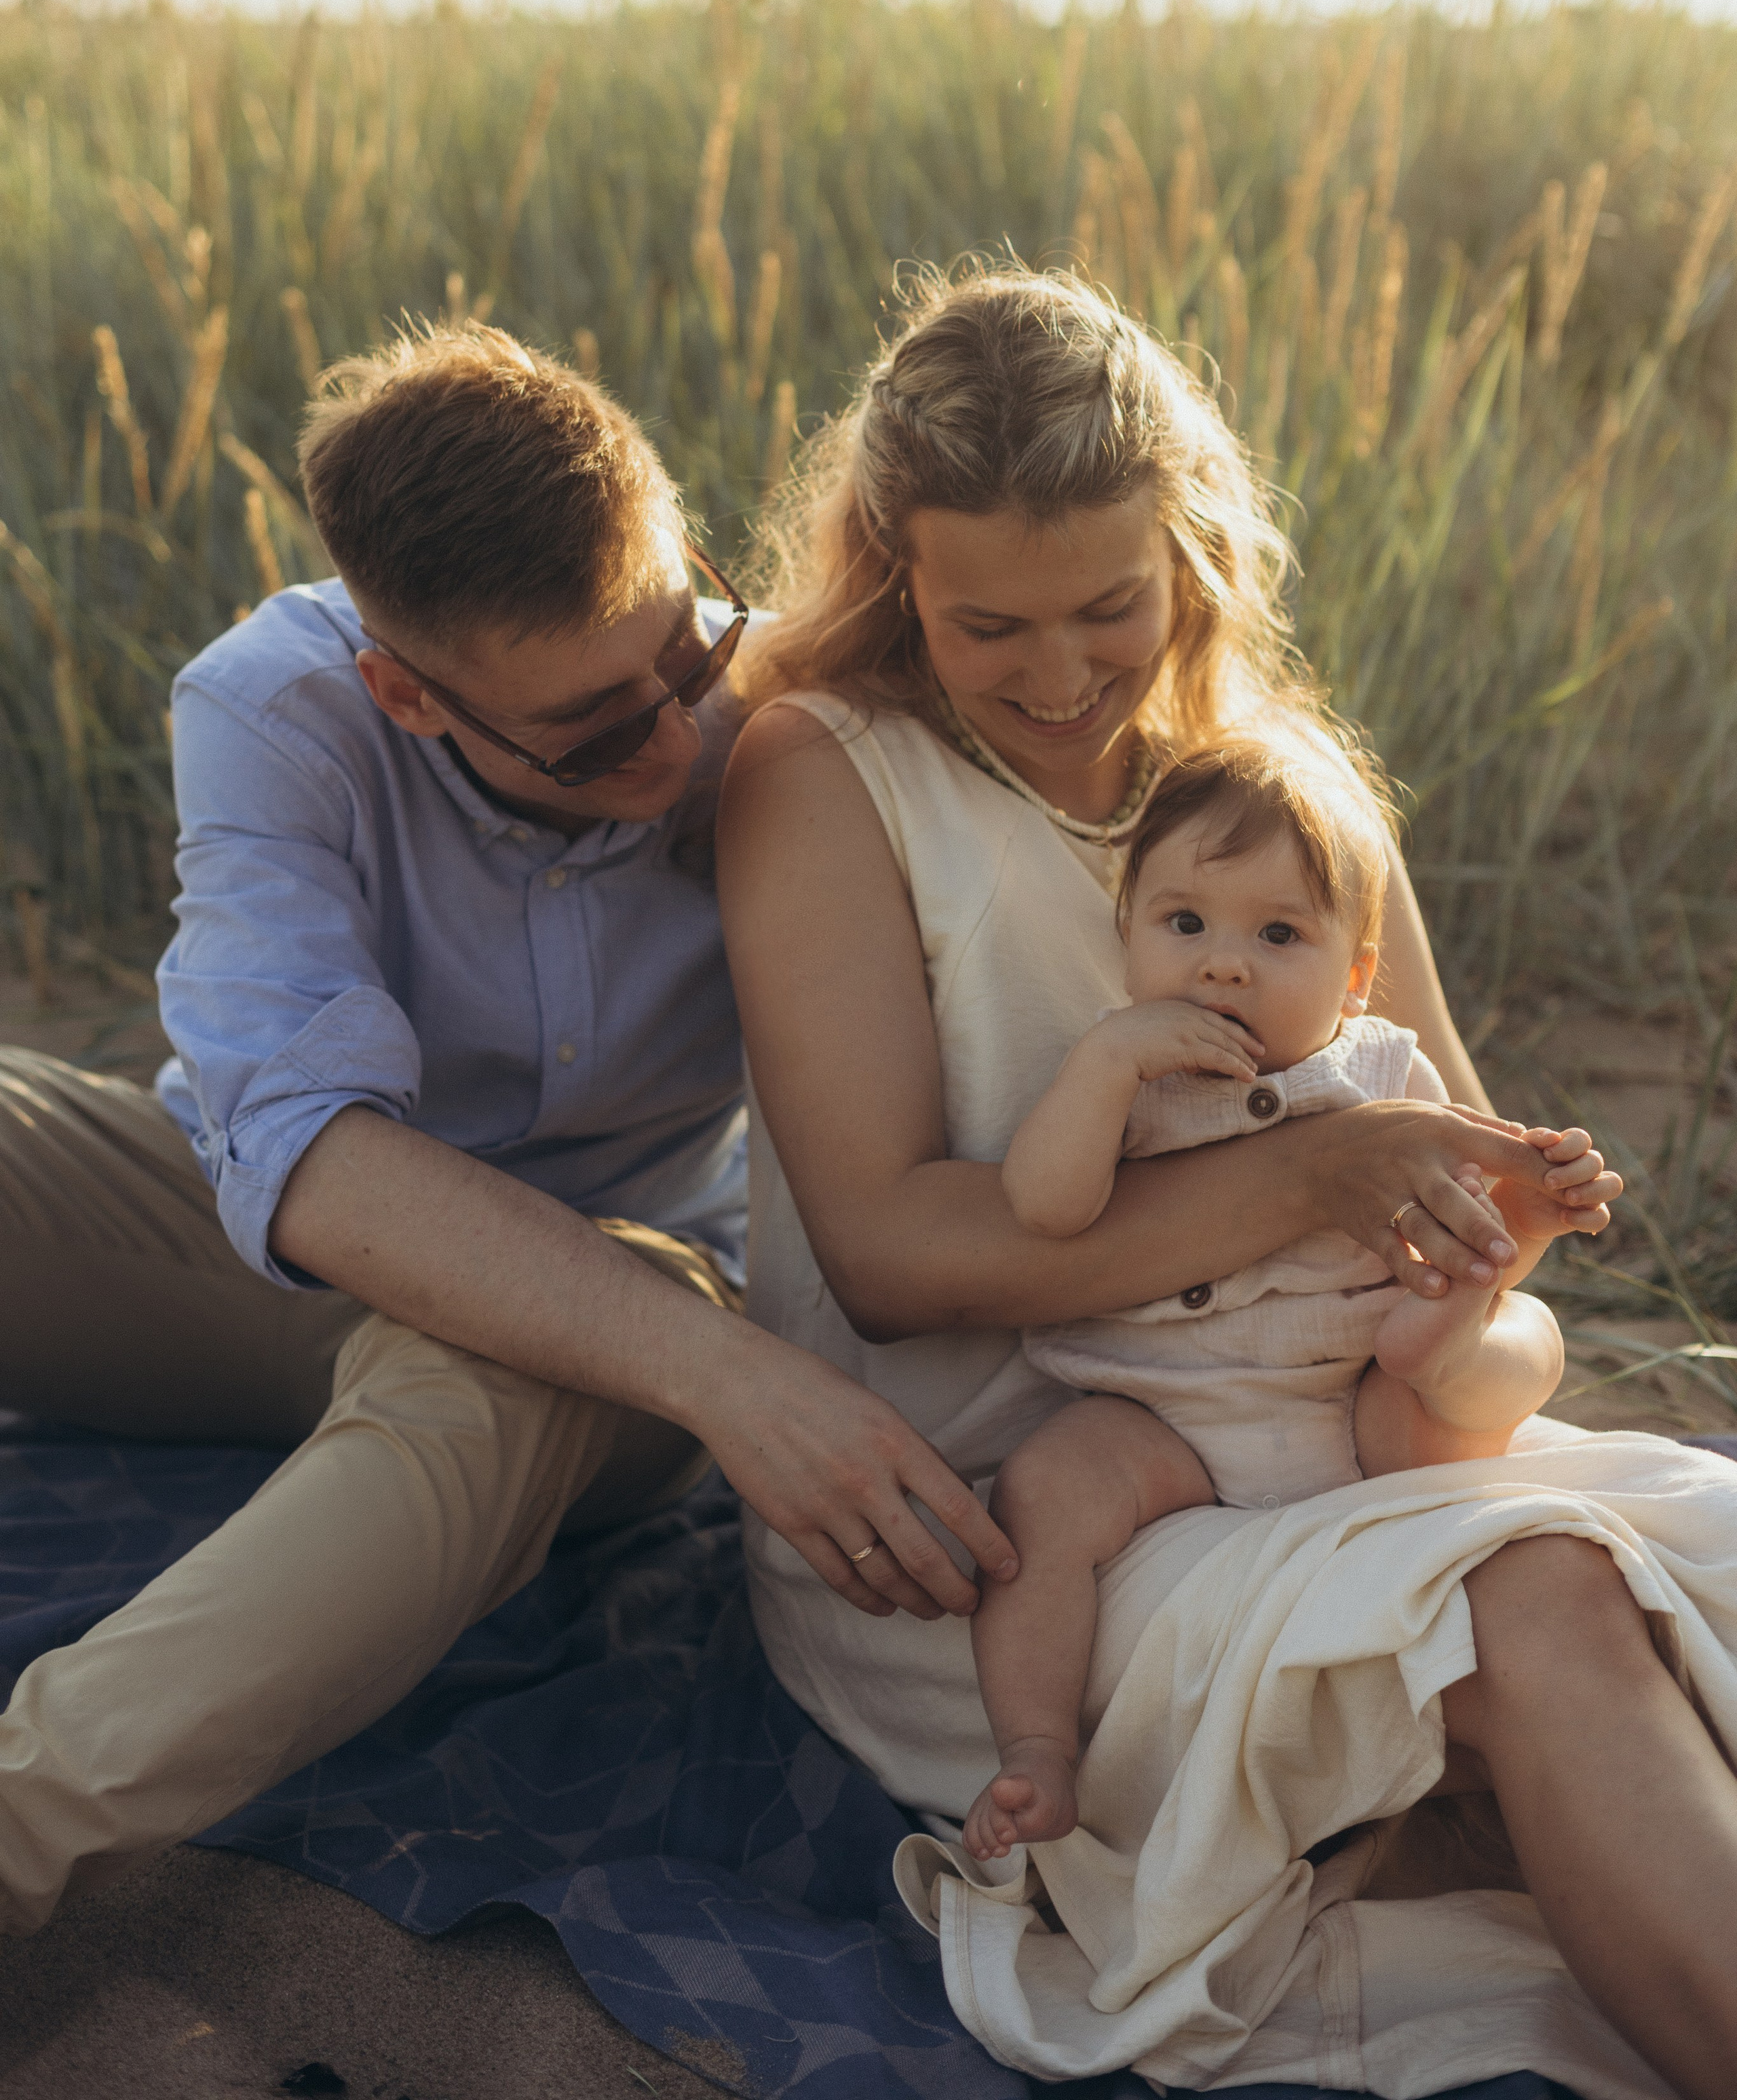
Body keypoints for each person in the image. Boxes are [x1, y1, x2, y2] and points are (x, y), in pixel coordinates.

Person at [717, 265, 1737, 2099]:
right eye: (986, 625)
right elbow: (889, 1254)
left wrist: (1475, 1286)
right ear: (893, 574)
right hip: (1007, 1530)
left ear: (1189, 549)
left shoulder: (1282, 798)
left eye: (1107, 607)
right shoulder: (825, 772)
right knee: (1535, 1602)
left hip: (1326, 1449)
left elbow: (1451, 1202)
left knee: (1634, 1594)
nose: (1056, 677)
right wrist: (1317, 1177)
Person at [0, 323, 1019, 1940]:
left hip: (617, 1305)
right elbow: (303, 1150)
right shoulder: (271, 709)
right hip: (251, 1239)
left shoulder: (790, 711)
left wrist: (703, 1358)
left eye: (684, 658)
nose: (673, 743)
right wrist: (742, 1380)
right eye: (597, 731)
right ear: (402, 693)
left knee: (517, 1360)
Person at [966, 733, 1578, 1861]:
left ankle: (1454, 1336)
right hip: (1162, 1418)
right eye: (1183, 923)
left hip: (1352, 1397)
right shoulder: (1125, 1076)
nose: (1223, 967)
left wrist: (1512, 1216)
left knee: (1453, 1363)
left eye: (1278, 935)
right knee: (1043, 1493)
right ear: (1127, 935)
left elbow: (1439, 1221)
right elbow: (1044, 1208)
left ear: (1357, 974)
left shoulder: (1384, 1075)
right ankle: (1037, 1748)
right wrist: (1107, 1065)